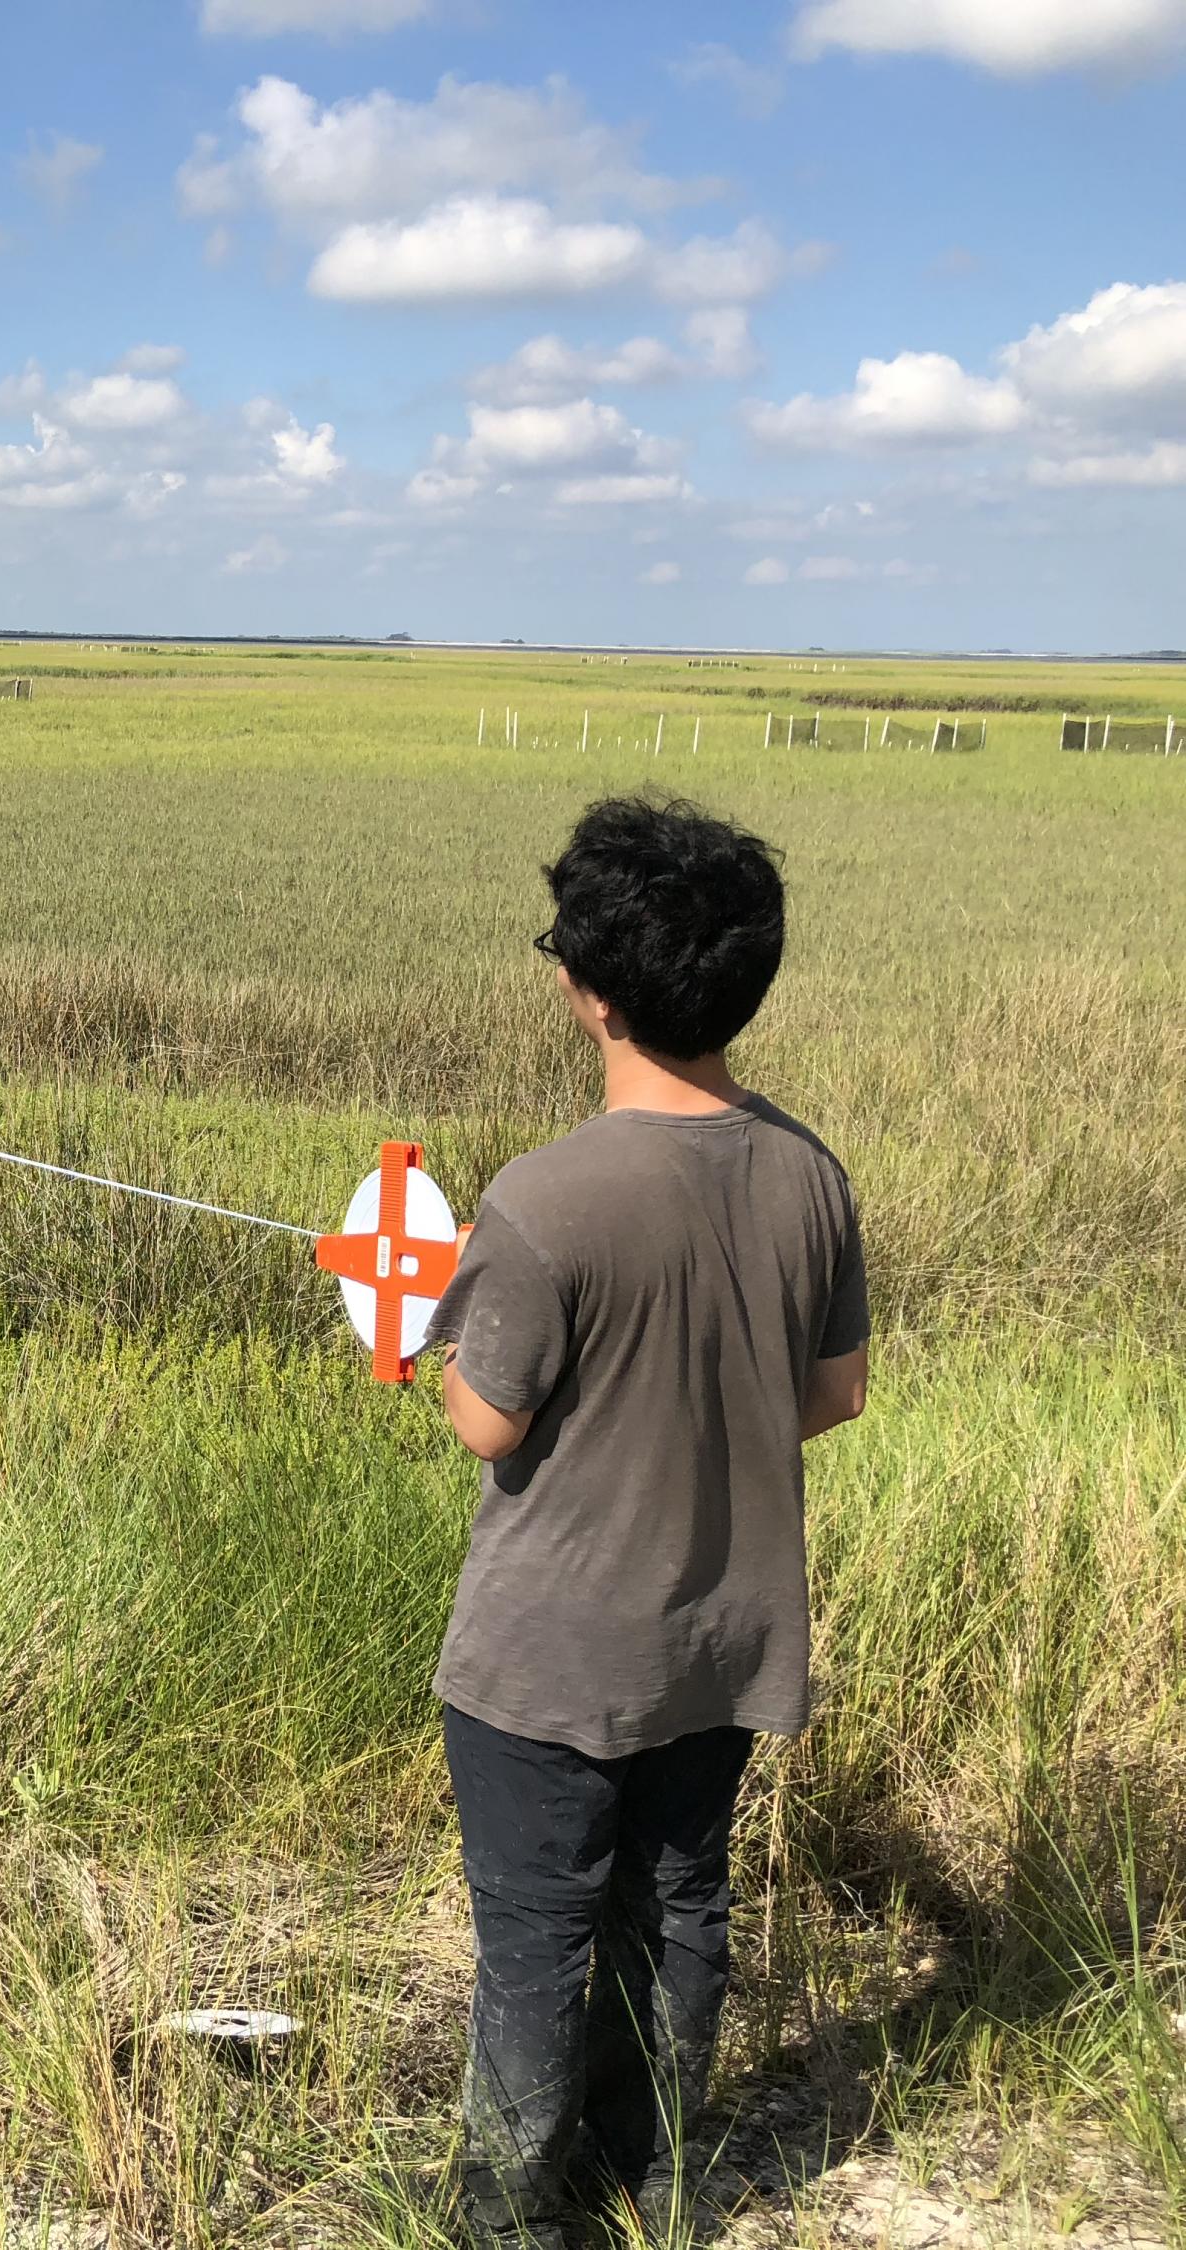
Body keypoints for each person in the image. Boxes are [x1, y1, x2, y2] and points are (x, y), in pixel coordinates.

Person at [424, 795, 869, 2249]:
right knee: (684, 1906)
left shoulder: (545, 1201)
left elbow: (486, 1420)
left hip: (546, 1666)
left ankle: (509, 2210)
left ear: (589, 987)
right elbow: (834, 1390)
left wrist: (443, 1325)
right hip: (721, 1645)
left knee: (539, 1938)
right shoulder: (810, 1173)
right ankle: (659, 2170)